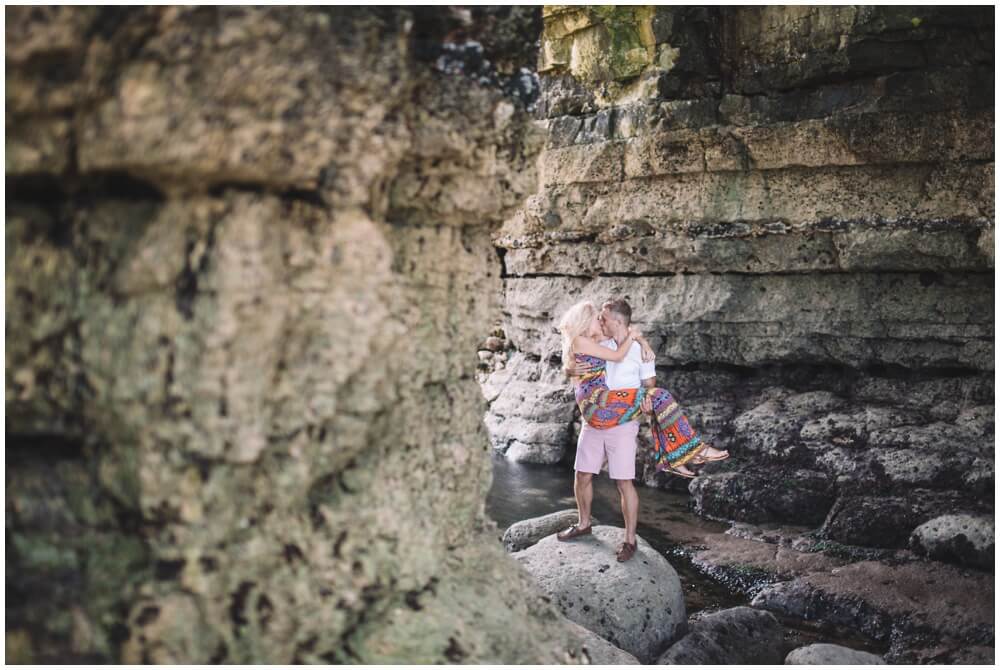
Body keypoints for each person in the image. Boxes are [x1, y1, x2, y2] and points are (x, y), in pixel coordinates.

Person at [554, 298, 728, 562]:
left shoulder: (640, 350)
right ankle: (583, 523)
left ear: (617, 321)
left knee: (654, 403)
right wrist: (568, 367)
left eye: (603, 318)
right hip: (595, 416)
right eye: (597, 318)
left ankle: (630, 540)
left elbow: (648, 384)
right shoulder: (604, 342)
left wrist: (642, 345)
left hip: (620, 421)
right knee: (582, 476)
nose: (600, 322)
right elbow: (574, 357)